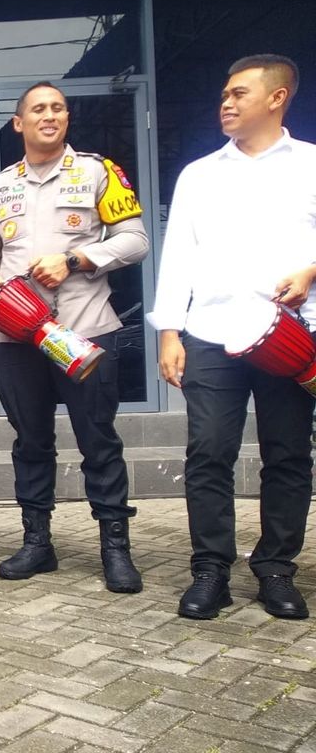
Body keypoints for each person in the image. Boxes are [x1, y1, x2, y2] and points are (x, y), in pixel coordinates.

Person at [149, 54, 315, 620]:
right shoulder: (199, 174)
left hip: (287, 336)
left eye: (239, 93)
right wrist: (169, 332)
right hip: (211, 335)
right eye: (224, 93)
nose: (226, 102)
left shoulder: (311, 165)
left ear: (278, 97)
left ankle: (275, 569)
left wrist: (311, 272)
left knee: (289, 454)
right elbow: (178, 258)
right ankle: (211, 569)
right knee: (208, 452)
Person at [0, 81, 149, 592]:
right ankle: (37, 544)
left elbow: (135, 240)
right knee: (30, 442)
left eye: (58, 108)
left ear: (66, 119)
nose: (49, 116)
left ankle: (115, 548)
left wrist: (75, 259)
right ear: (18, 124)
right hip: (17, 340)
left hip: (85, 331)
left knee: (99, 441)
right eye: (38, 110)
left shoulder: (97, 172)